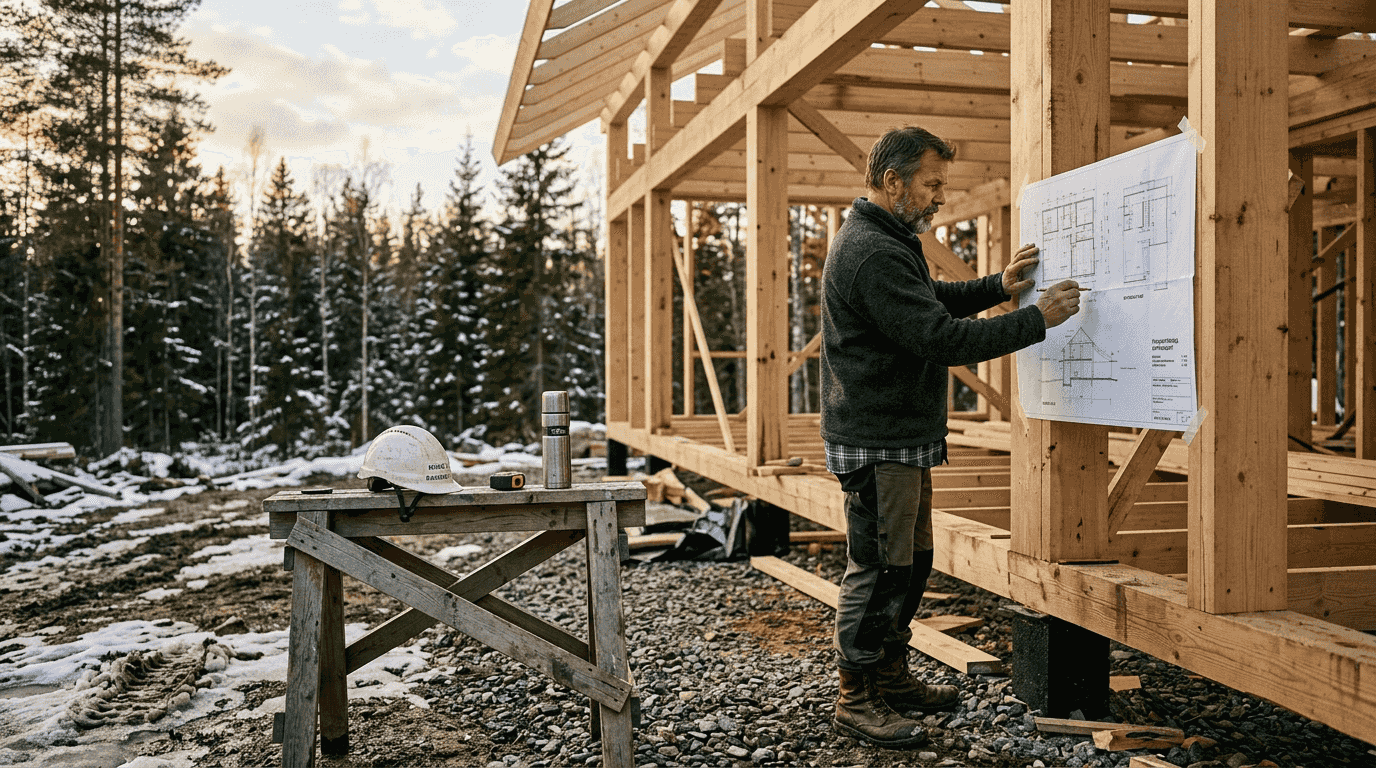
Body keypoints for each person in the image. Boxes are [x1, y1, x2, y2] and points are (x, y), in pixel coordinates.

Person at [820, 126, 1084, 748]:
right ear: (893, 181)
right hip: (881, 441)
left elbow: (928, 299)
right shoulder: (872, 252)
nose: (941, 196)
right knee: (882, 567)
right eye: (932, 184)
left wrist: (998, 287)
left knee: (909, 564)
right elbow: (939, 338)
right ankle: (855, 697)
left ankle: (890, 674)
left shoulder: (887, 238)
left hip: (896, 437)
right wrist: (1035, 320)